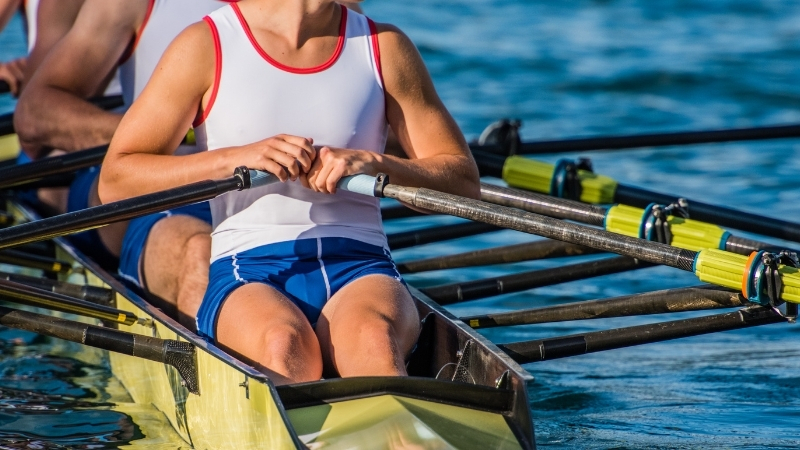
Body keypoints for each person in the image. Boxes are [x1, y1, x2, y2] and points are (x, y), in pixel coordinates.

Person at [99, 0, 480, 383]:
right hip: (248, 270)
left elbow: (463, 181)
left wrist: (377, 163)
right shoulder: (206, 44)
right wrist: (235, 159)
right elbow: (115, 180)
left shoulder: (384, 45)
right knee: (284, 346)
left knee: (374, 342)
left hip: (362, 265)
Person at [15, 0, 236, 328]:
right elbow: (34, 117)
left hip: (277, 188)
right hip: (162, 187)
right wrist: (162, 134)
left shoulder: (319, 11)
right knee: (200, 254)